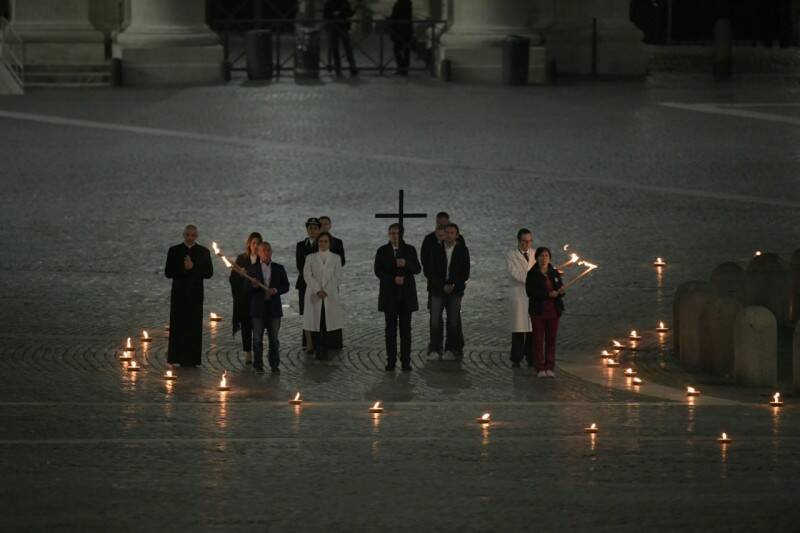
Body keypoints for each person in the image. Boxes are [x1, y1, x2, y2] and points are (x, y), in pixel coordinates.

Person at [374, 223, 421, 371]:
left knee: (406, 330)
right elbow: (378, 271)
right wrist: (392, 279)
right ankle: (391, 360)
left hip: (406, 295)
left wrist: (406, 264)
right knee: (390, 330)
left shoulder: (410, 250)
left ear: (401, 234)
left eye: (397, 233)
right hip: (390, 295)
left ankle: (406, 361)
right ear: (388, 234)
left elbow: (417, 269)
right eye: (391, 233)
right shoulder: (382, 251)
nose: (394, 236)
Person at [164, 225, 213, 367]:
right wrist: (183, 269)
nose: (190, 237)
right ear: (184, 235)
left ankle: (192, 359)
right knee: (178, 325)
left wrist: (193, 268)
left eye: (193, 235)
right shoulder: (174, 251)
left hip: (195, 295)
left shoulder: (204, 251)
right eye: (188, 235)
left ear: (196, 236)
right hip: (179, 294)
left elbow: (209, 273)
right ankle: (176, 356)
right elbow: (168, 272)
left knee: (194, 326)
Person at [427, 223, 470, 359]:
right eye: (447, 232)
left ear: (457, 235)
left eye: (452, 233)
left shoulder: (463, 250)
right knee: (435, 320)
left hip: (455, 291)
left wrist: (453, 285)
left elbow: (465, 272)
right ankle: (435, 348)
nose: (449, 235)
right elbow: (430, 270)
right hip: (437, 290)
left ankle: (451, 349)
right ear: (443, 234)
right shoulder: (435, 249)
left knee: (453, 321)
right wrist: (442, 286)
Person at [246, 242, 290, 373]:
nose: (266, 252)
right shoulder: (252, 269)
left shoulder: (278, 268)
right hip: (258, 309)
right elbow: (245, 288)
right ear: (258, 253)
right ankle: (258, 365)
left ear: (271, 252)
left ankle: (274, 365)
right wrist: (253, 286)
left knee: (274, 339)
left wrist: (276, 290)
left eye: (268, 250)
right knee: (257, 338)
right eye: (263, 250)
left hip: (274, 309)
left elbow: (286, 286)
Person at [303, 232, 344, 360]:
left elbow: (337, 277)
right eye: (320, 241)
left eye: (325, 241)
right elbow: (307, 275)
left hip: (329, 295)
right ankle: (317, 348)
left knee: (327, 322)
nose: (323, 243)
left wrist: (326, 290)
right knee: (316, 321)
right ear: (317, 243)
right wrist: (317, 290)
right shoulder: (310, 257)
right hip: (314, 294)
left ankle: (325, 349)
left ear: (329, 242)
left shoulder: (336, 258)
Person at [525, 247, 566, 378]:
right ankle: (540, 367)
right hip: (539, 311)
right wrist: (548, 294)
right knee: (538, 339)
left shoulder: (554, 273)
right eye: (541, 256)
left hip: (553, 311)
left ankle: (550, 366)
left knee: (551, 339)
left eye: (547, 255)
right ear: (536, 258)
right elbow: (530, 292)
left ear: (550, 258)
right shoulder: (532, 274)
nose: (544, 258)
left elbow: (560, 288)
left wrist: (560, 292)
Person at [230, 232, 262, 365]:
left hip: (257, 299)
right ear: (249, 244)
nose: (255, 246)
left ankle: (258, 352)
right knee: (246, 326)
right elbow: (232, 278)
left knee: (258, 327)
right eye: (253, 243)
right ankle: (248, 353)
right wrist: (240, 275)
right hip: (244, 299)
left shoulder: (262, 259)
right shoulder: (241, 259)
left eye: (258, 243)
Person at [507, 228, 536, 367]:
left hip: (532, 295)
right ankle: (516, 357)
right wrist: (534, 278)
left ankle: (531, 356)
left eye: (529, 241)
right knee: (519, 328)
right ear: (519, 241)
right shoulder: (511, 255)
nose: (527, 244)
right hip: (518, 294)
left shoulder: (535, 254)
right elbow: (515, 274)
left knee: (532, 328)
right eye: (524, 241)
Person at [296, 218, 320, 353]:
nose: (312, 230)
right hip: (304, 284)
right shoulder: (300, 245)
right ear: (307, 229)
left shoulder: (322, 244)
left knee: (319, 313)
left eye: (315, 228)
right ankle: (309, 344)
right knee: (306, 315)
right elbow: (300, 265)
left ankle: (319, 342)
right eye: (310, 228)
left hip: (319, 284)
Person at [324, 0, 358, 77]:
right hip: (334, 28)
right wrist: (334, 14)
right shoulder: (330, 3)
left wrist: (342, 13)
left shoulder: (345, 3)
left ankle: (352, 66)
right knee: (336, 48)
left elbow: (349, 14)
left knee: (347, 48)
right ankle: (339, 68)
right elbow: (326, 15)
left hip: (343, 27)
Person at [387, 0, 413, 75]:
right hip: (408, 30)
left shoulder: (398, 5)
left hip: (399, 31)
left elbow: (394, 16)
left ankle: (401, 67)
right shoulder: (409, 4)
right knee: (406, 50)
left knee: (396, 49)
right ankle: (405, 68)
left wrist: (388, 19)